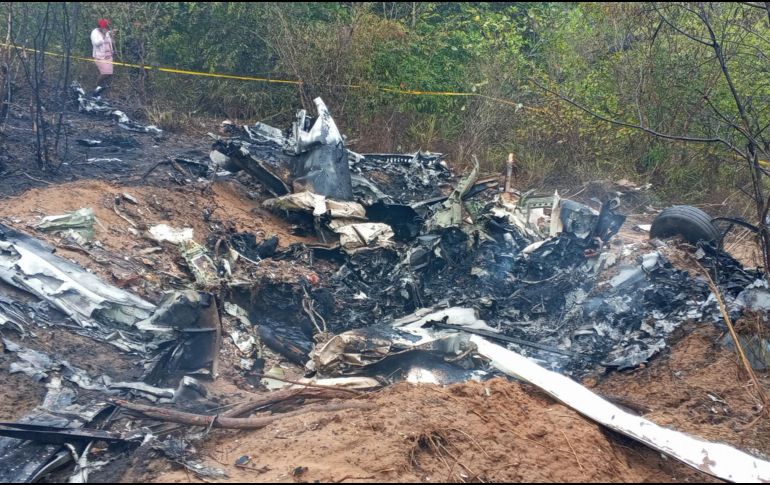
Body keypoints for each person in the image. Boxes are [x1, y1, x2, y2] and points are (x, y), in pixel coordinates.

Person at [90, 18, 115, 97]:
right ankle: (96, 87)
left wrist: (112, 50)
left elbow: (110, 42)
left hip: (109, 56)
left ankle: (102, 89)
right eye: (106, 27)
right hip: (100, 56)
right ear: (101, 27)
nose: (107, 29)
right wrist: (104, 36)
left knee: (109, 74)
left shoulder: (106, 32)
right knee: (105, 73)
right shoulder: (95, 33)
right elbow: (96, 43)